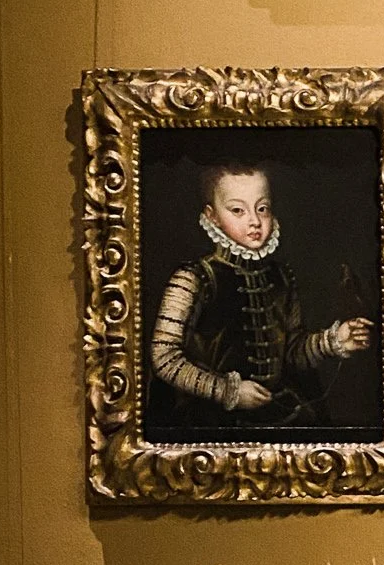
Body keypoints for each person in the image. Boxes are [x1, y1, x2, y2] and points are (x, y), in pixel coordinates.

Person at [148, 163, 372, 433]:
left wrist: (332, 341)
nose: (254, 220)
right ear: (212, 216)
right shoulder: (192, 279)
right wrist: (227, 392)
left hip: (276, 413)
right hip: (211, 421)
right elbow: (163, 356)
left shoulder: (281, 277)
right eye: (238, 210)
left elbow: (291, 353)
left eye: (262, 208)